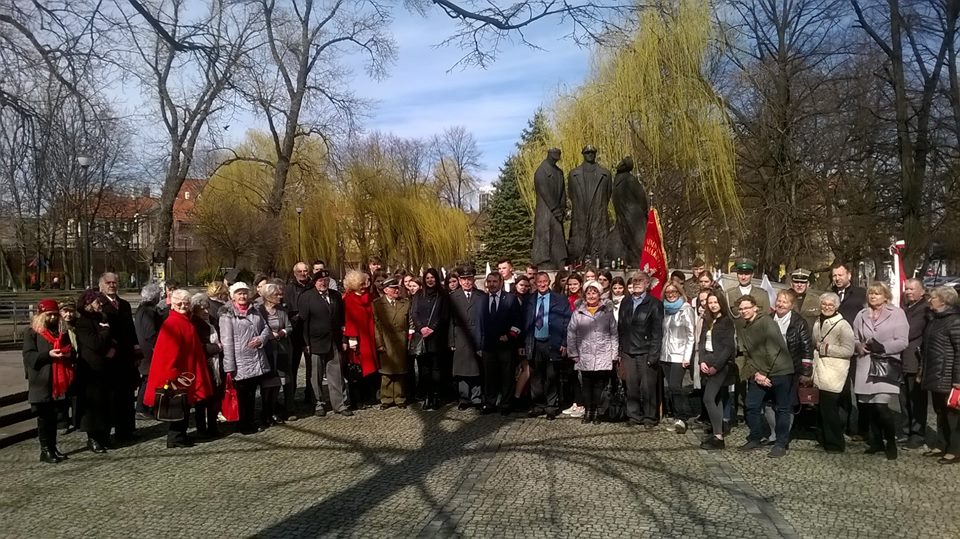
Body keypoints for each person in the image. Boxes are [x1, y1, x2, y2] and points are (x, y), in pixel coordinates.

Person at [144, 289, 214, 448]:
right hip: (178, 372)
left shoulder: (183, 320)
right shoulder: (174, 323)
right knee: (178, 405)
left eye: (186, 303)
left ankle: (180, 436)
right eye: (179, 303)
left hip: (187, 370)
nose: (183, 305)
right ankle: (175, 438)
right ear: (173, 305)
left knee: (184, 405)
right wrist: (172, 377)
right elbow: (168, 354)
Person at [852, 282, 909, 460]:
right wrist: (859, 346)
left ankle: (890, 442)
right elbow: (853, 337)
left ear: (886, 296)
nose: (873, 296)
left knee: (881, 406)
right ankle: (876, 442)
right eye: (871, 293)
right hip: (865, 364)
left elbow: (902, 341)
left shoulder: (897, 313)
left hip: (885, 365)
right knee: (869, 407)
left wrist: (882, 347)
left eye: (877, 294)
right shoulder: (861, 315)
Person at [736, 295, 795, 458]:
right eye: (741, 309)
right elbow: (747, 354)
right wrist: (756, 373)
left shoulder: (766, 322)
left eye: (746, 307)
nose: (744, 311)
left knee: (782, 408)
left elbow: (773, 349)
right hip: (759, 372)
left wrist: (763, 372)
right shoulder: (744, 327)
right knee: (751, 405)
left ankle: (781, 443)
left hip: (780, 370)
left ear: (755, 307)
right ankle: (756, 436)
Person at [23, 299, 74, 463]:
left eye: (54, 314)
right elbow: (29, 356)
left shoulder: (60, 332)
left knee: (54, 417)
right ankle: (46, 450)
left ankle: (53, 448)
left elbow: (70, 349)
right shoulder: (32, 333)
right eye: (49, 315)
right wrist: (48, 355)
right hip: (42, 381)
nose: (52, 318)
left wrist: (67, 354)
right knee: (44, 418)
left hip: (57, 381)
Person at [220, 282, 273, 435]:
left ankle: (250, 420)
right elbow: (227, 342)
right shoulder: (227, 314)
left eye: (244, 293)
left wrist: (261, 340)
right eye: (239, 293)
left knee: (251, 394)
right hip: (239, 361)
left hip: (256, 358)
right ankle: (243, 424)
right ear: (232, 296)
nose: (242, 296)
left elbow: (265, 328)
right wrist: (229, 367)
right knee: (241, 395)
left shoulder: (255, 311)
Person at [298, 270, 352, 417]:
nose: (324, 283)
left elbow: (341, 320)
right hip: (315, 342)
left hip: (333, 341)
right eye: (321, 281)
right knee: (316, 375)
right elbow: (303, 323)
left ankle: (339, 404)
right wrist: (305, 343)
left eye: (326, 280)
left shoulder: (335, 296)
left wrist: (343, 339)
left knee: (336, 374)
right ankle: (318, 403)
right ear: (315, 282)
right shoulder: (307, 297)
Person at [808, 292, 855, 453]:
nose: (827, 307)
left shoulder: (843, 325)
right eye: (824, 304)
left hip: (834, 372)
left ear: (836, 307)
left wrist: (826, 348)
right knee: (821, 408)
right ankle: (825, 439)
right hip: (820, 369)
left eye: (831, 305)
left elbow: (849, 350)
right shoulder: (817, 321)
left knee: (830, 410)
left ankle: (836, 443)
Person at [567, 280, 618, 424]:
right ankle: (588, 410)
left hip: (603, 354)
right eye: (588, 293)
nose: (591, 295)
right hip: (584, 354)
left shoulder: (607, 312)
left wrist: (614, 354)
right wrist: (573, 353)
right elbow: (571, 333)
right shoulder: (578, 313)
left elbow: (614, 334)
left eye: (594, 292)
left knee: (599, 385)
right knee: (586, 384)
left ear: (599, 295)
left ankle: (596, 411)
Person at [618, 271, 664, 428]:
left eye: (640, 280)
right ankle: (633, 415)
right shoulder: (626, 301)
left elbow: (657, 332)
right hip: (628, 351)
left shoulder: (655, 304)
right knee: (631, 386)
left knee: (647, 387)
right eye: (634, 280)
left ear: (647, 284)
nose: (637, 282)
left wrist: (654, 355)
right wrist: (620, 350)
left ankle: (650, 417)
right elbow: (621, 327)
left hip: (646, 351)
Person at [73, 289, 117, 453]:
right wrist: (105, 332)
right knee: (93, 407)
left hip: (105, 367)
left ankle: (104, 435)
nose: (100, 305)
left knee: (105, 404)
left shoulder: (102, 318)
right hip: (90, 370)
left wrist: (112, 347)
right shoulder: (83, 322)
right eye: (97, 302)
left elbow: (112, 339)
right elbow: (95, 343)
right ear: (88, 304)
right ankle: (93, 438)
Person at [98, 272, 139, 444]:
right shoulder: (99, 304)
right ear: (101, 285)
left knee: (127, 396)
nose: (112, 285)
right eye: (108, 282)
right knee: (110, 397)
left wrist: (136, 349)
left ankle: (126, 430)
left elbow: (130, 329)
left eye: (115, 282)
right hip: (109, 357)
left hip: (126, 357)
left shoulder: (124, 305)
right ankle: (107, 433)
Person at [524, 272, 571, 419]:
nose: (542, 284)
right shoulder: (530, 300)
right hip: (535, 342)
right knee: (536, 376)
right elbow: (524, 323)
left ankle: (551, 406)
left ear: (549, 282)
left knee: (552, 375)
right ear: (535, 283)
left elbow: (567, 321)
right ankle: (538, 405)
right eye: (539, 282)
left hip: (553, 342)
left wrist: (565, 342)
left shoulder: (560, 299)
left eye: (545, 281)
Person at [921, 286, 960, 464]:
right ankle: (941, 444)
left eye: (933, 297)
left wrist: (958, 381)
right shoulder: (934, 319)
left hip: (948, 375)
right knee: (939, 411)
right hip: (935, 373)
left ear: (944, 301)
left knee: (952, 414)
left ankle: (954, 449)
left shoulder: (955, 321)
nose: (930, 300)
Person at [831, 262, 868, 439]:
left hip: (858, 349)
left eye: (840, 275)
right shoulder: (830, 293)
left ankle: (863, 429)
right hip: (838, 351)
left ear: (849, 275)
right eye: (834, 276)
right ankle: (844, 426)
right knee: (842, 391)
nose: (837, 278)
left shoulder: (861, 294)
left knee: (861, 391)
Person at [770, 289, 812, 445]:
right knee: (770, 402)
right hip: (771, 367)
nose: (781, 304)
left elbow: (806, 347)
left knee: (786, 403)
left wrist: (806, 371)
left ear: (792, 305)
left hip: (791, 368)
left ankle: (784, 435)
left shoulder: (798, 322)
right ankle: (774, 433)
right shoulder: (769, 319)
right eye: (779, 301)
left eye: (785, 302)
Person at [481, 272, 523, 415]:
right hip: (488, 345)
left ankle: (506, 404)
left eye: (494, 281)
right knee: (489, 376)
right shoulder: (482, 299)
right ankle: (490, 403)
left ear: (500, 282)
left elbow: (518, 321)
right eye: (489, 281)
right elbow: (479, 322)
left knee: (507, 376)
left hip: (506, 345)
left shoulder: (511, 299)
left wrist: (510, 336)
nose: (492, 284)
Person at [699, 292, 736, 450]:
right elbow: (701, 342)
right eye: (710, 302)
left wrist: (716, 366)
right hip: (707, 361)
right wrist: (701, 361)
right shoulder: (707, 320)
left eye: (715, 302)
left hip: (721, 366)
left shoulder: (726, 322)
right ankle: (717, 432)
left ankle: (719, 437)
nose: (713, 305)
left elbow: (728, 348)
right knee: (717, 399)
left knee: (708, 398)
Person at [448, 266, 486, 410]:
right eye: (463, 279)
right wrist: (451, 340)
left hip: (477, 335)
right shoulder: (452, 297)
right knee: (462, 369)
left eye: (469, 279)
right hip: (460, 336)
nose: (466, 282)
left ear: (473, 280)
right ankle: (464, 398)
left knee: (476, 367)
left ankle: (476, 397)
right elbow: (450, 320)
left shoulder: (481, 296)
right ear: (459, 280)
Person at [661, 282, 697, 434]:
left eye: (674, 291)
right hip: (665, 354)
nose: (671, 294)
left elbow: (691, 335)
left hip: (679, 354)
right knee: (670, 388)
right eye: (668, 291)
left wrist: (686, 356)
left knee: (676, 386)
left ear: (680, 292)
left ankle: (682, 418)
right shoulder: (665, 309)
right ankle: (677, 416)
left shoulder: (685, 309)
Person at [411, 268, 448, 411]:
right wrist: (421, 328)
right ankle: (427, 396)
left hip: (437, 336)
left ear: (436, 279)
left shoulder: (442, 295)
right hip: (422, 336)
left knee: (436, 368)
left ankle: (436, 396)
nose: (430, 280)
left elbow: (444, 315)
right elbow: (414, 312)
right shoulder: (419, 295)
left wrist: (432, 328)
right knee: (423, 369)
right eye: (427, 278)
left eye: (432, 278)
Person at [343, 270, 379, 408]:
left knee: (370, 368)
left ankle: (368, 396)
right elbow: (348, 319)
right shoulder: (348, 299)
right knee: (357, 369)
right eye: (361, 284)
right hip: (357, 338)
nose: (364, 286)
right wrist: (352, 338)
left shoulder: (369, 298)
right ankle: (356, 400)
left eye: (365, 283)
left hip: (369, 336)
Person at [373, 277, 411, 409]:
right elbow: (376, 325)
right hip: (386, 339)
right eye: (393, 288)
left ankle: (400, 398)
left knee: (400, 371)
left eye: (397, 288)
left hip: (401, 339)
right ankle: (387, 399)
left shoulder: (405, 303)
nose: (397, 290)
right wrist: (379, 343)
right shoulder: (377, 304)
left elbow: (409, 322)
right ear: (386, 290)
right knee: (387, 372)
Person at [190, 293, 224, 440]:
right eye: (201, 309)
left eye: (206, 308)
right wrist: (216, 347)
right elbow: (198, 346)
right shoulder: (194, 324)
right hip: (203, 365)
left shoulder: (213, 321)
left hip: (216, 364)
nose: (205, 311)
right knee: (202, 400)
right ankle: (201, 429)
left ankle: (213, 426)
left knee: (215, 398)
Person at [900, 278, 929, 448]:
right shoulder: (907, 308)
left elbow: (909, 331)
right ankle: (906, 430)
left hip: (914, 361)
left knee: (916, 400)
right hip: (902, 360)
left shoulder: (924, 310)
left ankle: (918, 434)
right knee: (903, 399)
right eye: (907, 289)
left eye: (912, 289)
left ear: (922, 292)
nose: (908, 292)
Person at [532, 147, 569, 269]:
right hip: (545, 211)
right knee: (545, 234)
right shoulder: (541, 171)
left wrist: (563, 208)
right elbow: (544, 192)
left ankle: (560, 259)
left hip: (557, 211)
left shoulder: (559, 172)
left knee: (558, 234)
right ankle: (543, 260)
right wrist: (555, 209)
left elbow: (563, 192)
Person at [285, 262, 315, 412]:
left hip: (310, 333)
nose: (303, 274)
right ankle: (290, 399)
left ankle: (311, 395)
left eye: (305, 271)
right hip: (294, 334)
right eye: (300, 271)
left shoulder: (313, 286)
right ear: (295, 272)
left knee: (312, 368)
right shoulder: (289, 289)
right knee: (292, 368)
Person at [261, 283, 291, 425]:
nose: (280, 297)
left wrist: (281, 333)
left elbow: (289, 326)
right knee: (267, 384)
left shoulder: (281, 310)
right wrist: (268, 334)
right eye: (276, 295)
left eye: (280, 294)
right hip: (266, 351)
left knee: (278, 382)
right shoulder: (259, 310)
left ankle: (273, 411)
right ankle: (265, 413)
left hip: (281, 349)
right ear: (268, 297)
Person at [134, 283, 165, 419]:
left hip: (146, 351)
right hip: (148, 352)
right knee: (147, 380)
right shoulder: (148, 311)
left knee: (147, 379)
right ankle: (141, 408)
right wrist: (158, 348)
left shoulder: (144, 309)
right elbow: (150, 333)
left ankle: (145, 406)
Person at [727, 259, 770, 324]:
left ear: (752, 275)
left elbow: (767, 318)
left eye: (747, 274)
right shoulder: (729, 294)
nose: (743, 277)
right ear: (737, 274)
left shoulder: (762, 295)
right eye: (740, 274)